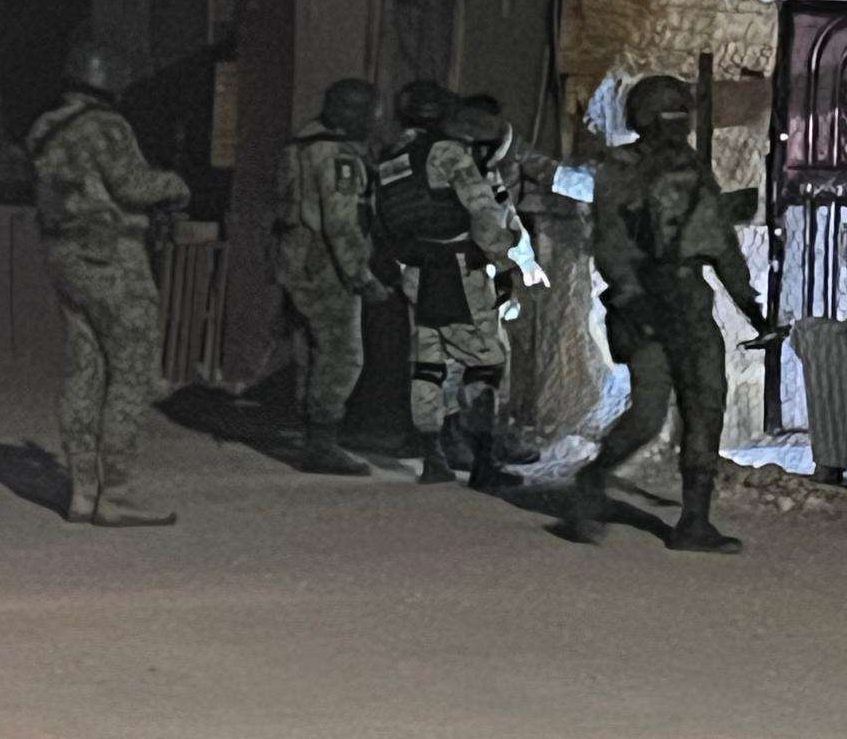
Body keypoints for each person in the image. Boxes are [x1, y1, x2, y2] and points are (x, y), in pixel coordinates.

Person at [565, 75, 785, 554]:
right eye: (669, 115)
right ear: (646, 119)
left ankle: (695, 521)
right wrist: (631, 298)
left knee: (705, 405)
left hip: (688, 300)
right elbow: (611, 242)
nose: (678, 124)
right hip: (646, 304)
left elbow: (719, 242)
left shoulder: (689, 167)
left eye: (681, 115)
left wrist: (752, 308)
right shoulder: (621, 169)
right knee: (648, 413)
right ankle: (593, 480)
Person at [26, 38, 190, 526]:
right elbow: (132, 185)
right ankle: (116, 494)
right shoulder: (107, 125)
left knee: (85, 366)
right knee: (132, 369)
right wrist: (176, 184)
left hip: (64, 254)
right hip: (112, 257)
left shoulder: (45, 127)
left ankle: (82, 491)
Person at [374, 81, 548, 490]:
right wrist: (506, 263)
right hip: (458, 267)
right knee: (485, 364)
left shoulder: (391, 159)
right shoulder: (449, 152)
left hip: (417, 269)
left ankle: (434, 457)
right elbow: (484, 214)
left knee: (429, 363)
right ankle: (484, 461)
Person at [273, 78, 390, 477]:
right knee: (343, 355)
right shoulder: (337, 157)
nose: (374, 124)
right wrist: (362, 277)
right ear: (351, 113)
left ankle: (312, 434)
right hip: (325, 267)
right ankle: (322, 444)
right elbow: (341, 224)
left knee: (312, 352)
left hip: (295, 260)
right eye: (371, 115)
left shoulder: (301, 143)